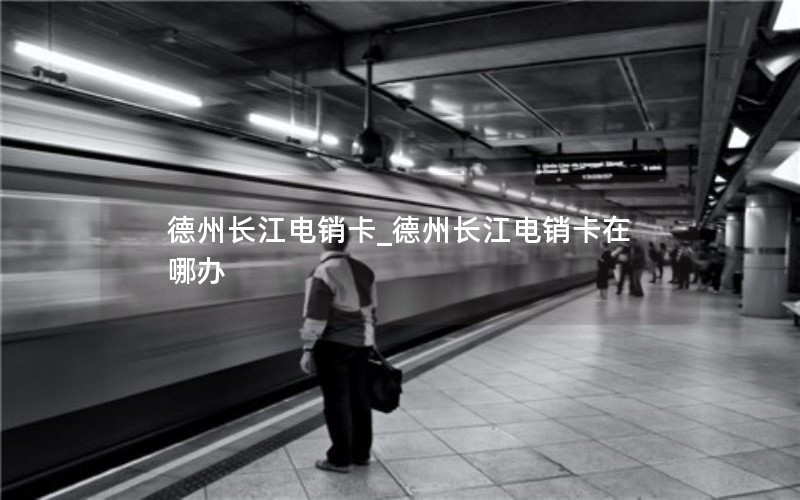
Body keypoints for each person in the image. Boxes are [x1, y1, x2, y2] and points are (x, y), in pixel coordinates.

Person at [299, 221, 377, 474]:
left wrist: (308, 350)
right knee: (359, 397)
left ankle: (340, 458)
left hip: (333, 346)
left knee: (336, 401)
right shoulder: (365, 271)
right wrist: (369, 340)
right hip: (361, 344)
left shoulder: (323, 272)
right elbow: (372, 311)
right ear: (346, 240)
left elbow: (315, 317)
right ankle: (361, 453)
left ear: (324, 239)